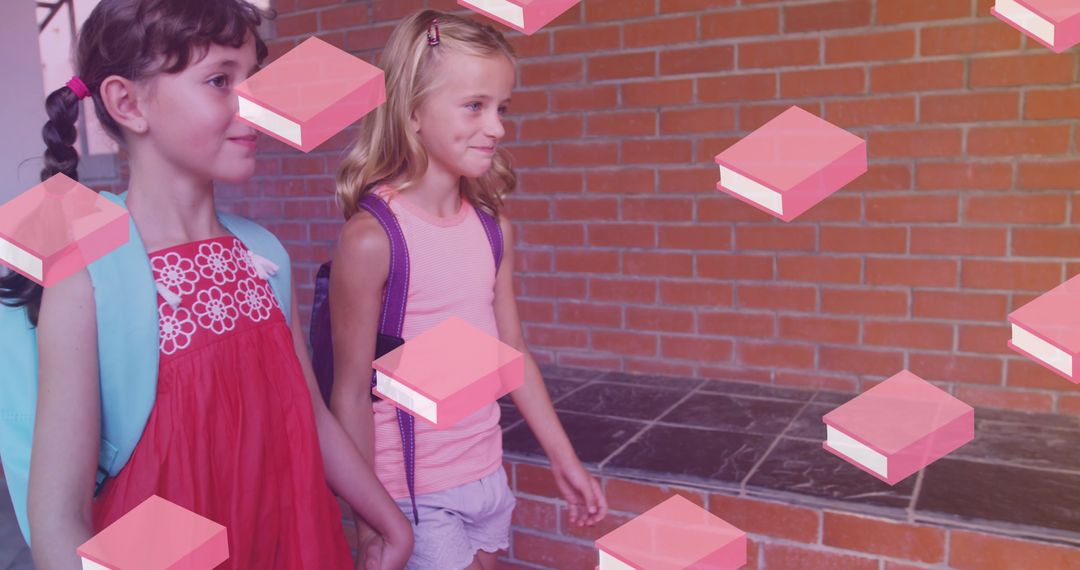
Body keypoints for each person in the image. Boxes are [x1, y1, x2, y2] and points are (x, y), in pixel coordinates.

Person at [0, 1, 412, 568]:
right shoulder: (89, 271)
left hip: (286, 540)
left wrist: (388, 523)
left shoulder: (263, 253)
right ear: (128, 103)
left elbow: (310, 416)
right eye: (220, 80)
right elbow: (57, 518)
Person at [329, 10, 609, 570]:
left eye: (502, 108)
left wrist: (564, 458)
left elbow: (512, 355)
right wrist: (371, 523)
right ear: (412, 113)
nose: (498, 127)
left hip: (485, 474)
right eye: (474, 106)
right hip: (411, 491)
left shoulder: (492, 229)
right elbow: (350, 394)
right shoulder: (373, 239)